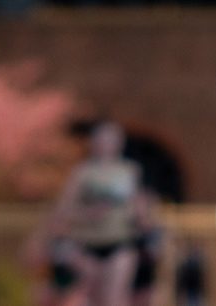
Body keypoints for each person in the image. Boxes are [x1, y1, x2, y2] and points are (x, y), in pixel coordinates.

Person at [48, 121, 155, 306]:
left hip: (120, 243)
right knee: (91, 298)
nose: (107, 144)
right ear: (94, 143)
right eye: (103, 140)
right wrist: (87, 213)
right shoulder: (82, 172)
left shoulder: (130, 171)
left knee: (114, 298)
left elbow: (143, 212)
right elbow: (62, 211)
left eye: (112, 140)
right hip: (87, 245)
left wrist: (142, 214)